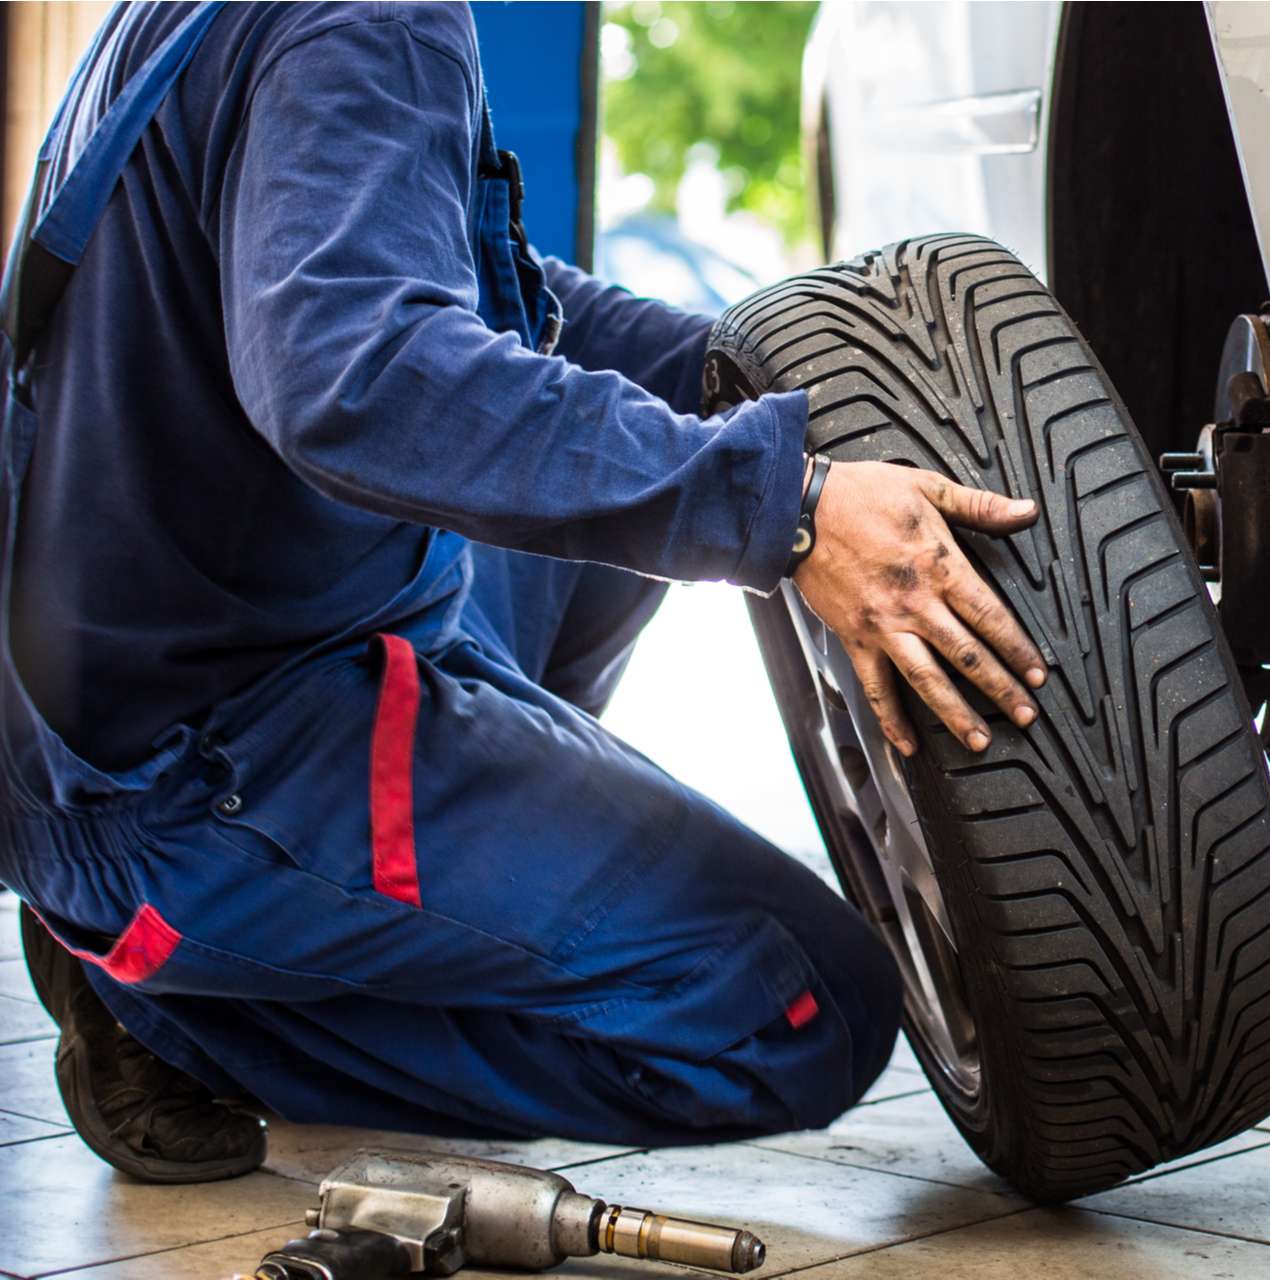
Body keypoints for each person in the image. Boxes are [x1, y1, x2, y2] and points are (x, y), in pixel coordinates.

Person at [3, 1, 1045, 1183]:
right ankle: (170, 998)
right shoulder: (372, 16)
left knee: (597, 503)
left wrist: (747, 382)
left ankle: (419, 898)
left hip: (149, 680)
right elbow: (358, 376)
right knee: (805, 1005)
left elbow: (471, 292)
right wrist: (788, 511)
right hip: (202, 762)